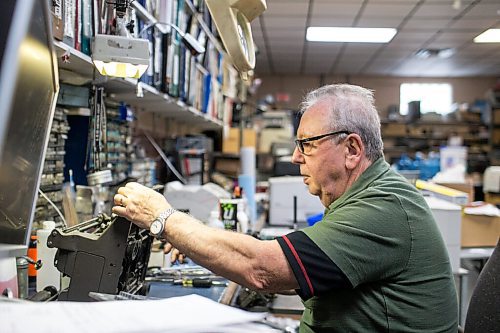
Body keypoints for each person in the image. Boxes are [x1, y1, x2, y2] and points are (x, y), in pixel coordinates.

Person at [112, 84, 458, 332]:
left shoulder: (385, 208)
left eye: (306, 144)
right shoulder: (364, 196)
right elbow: (302, 269)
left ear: (352, 149)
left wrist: (162, 217)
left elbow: (263, 270)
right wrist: (196, 240)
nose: (295, 157)